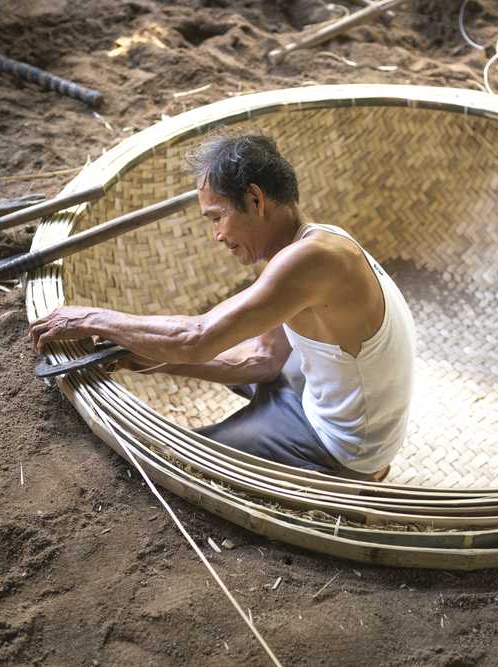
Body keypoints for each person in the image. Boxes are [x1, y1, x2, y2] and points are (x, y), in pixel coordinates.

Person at [29, 128, 417, 482]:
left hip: (346, 447)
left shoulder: (310, 261)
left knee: (170, 460)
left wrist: (88, 318)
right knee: (225, 368)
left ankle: (343, 476)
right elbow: (264, 360)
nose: (216, 235)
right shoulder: (317, 242)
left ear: (255, 200)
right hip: (323, 399)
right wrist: (140, 357)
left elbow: (196, 338)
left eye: (217, 217)